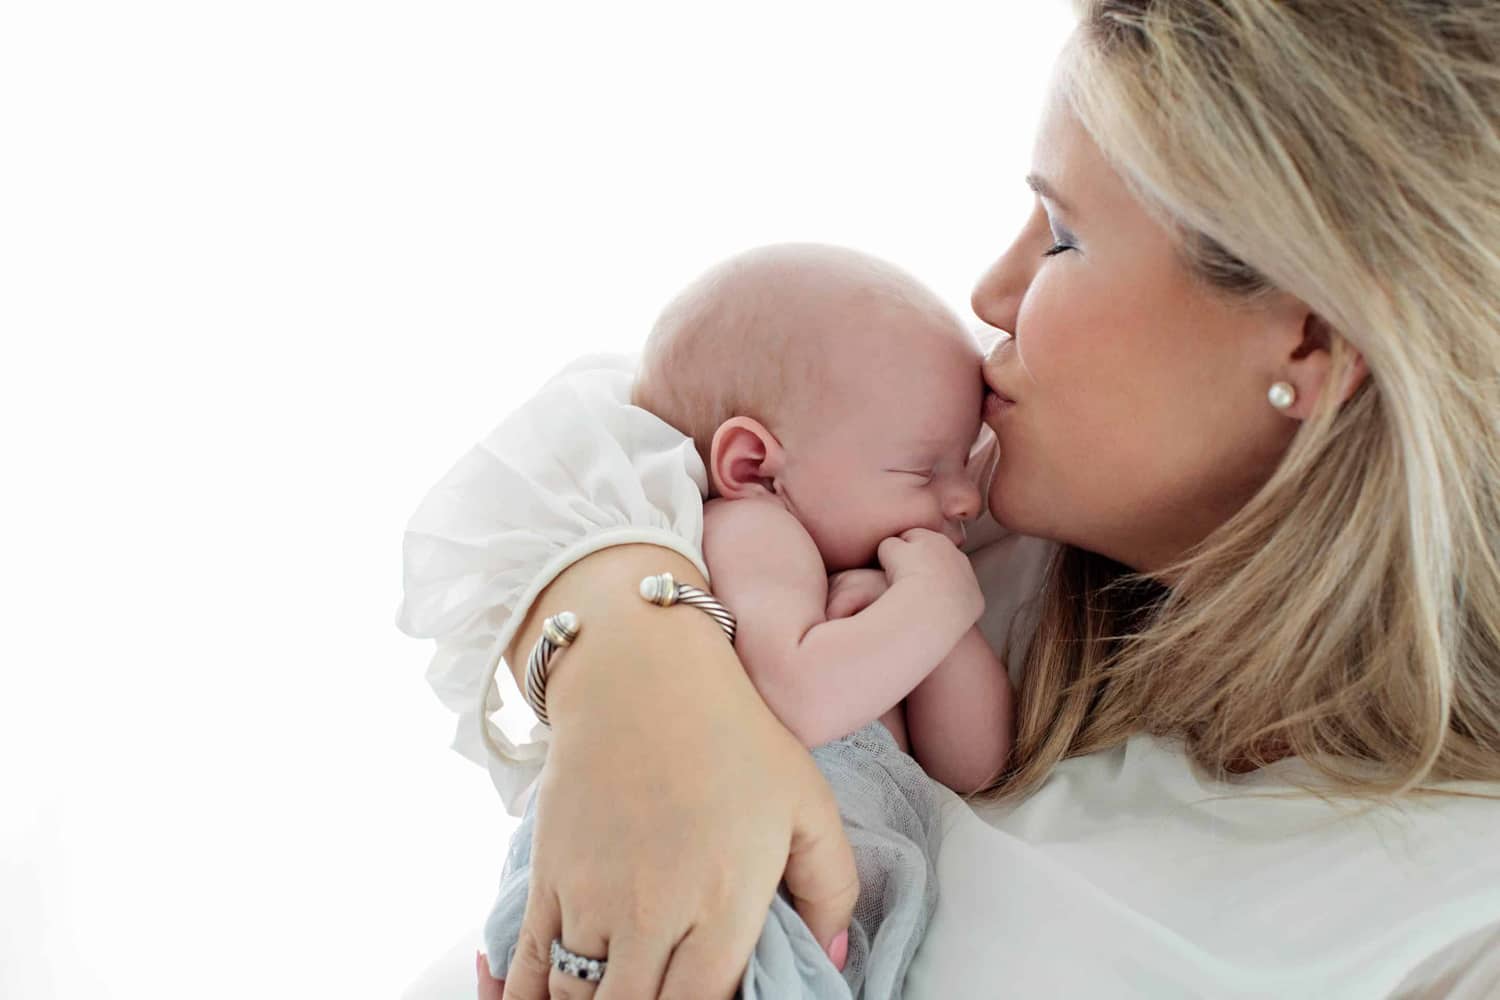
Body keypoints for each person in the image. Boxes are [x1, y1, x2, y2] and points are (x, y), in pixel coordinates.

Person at [397, 1, 1500, 996]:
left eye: (1063, 237)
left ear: (1307, 339)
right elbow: (607, 424)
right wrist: (638, 668)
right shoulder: (986, 513)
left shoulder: (1455, 917)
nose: (991, 293)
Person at [479, 243, 1012, 997]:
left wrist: (941, 629)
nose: (965, 499)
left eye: (965, 464)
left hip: (791, 896)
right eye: (925, 469)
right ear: (755, 467)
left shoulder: (870, 585)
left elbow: (976, 764)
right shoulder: (751, 531)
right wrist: (936, 605)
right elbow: (798, 699)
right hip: (703, 878)